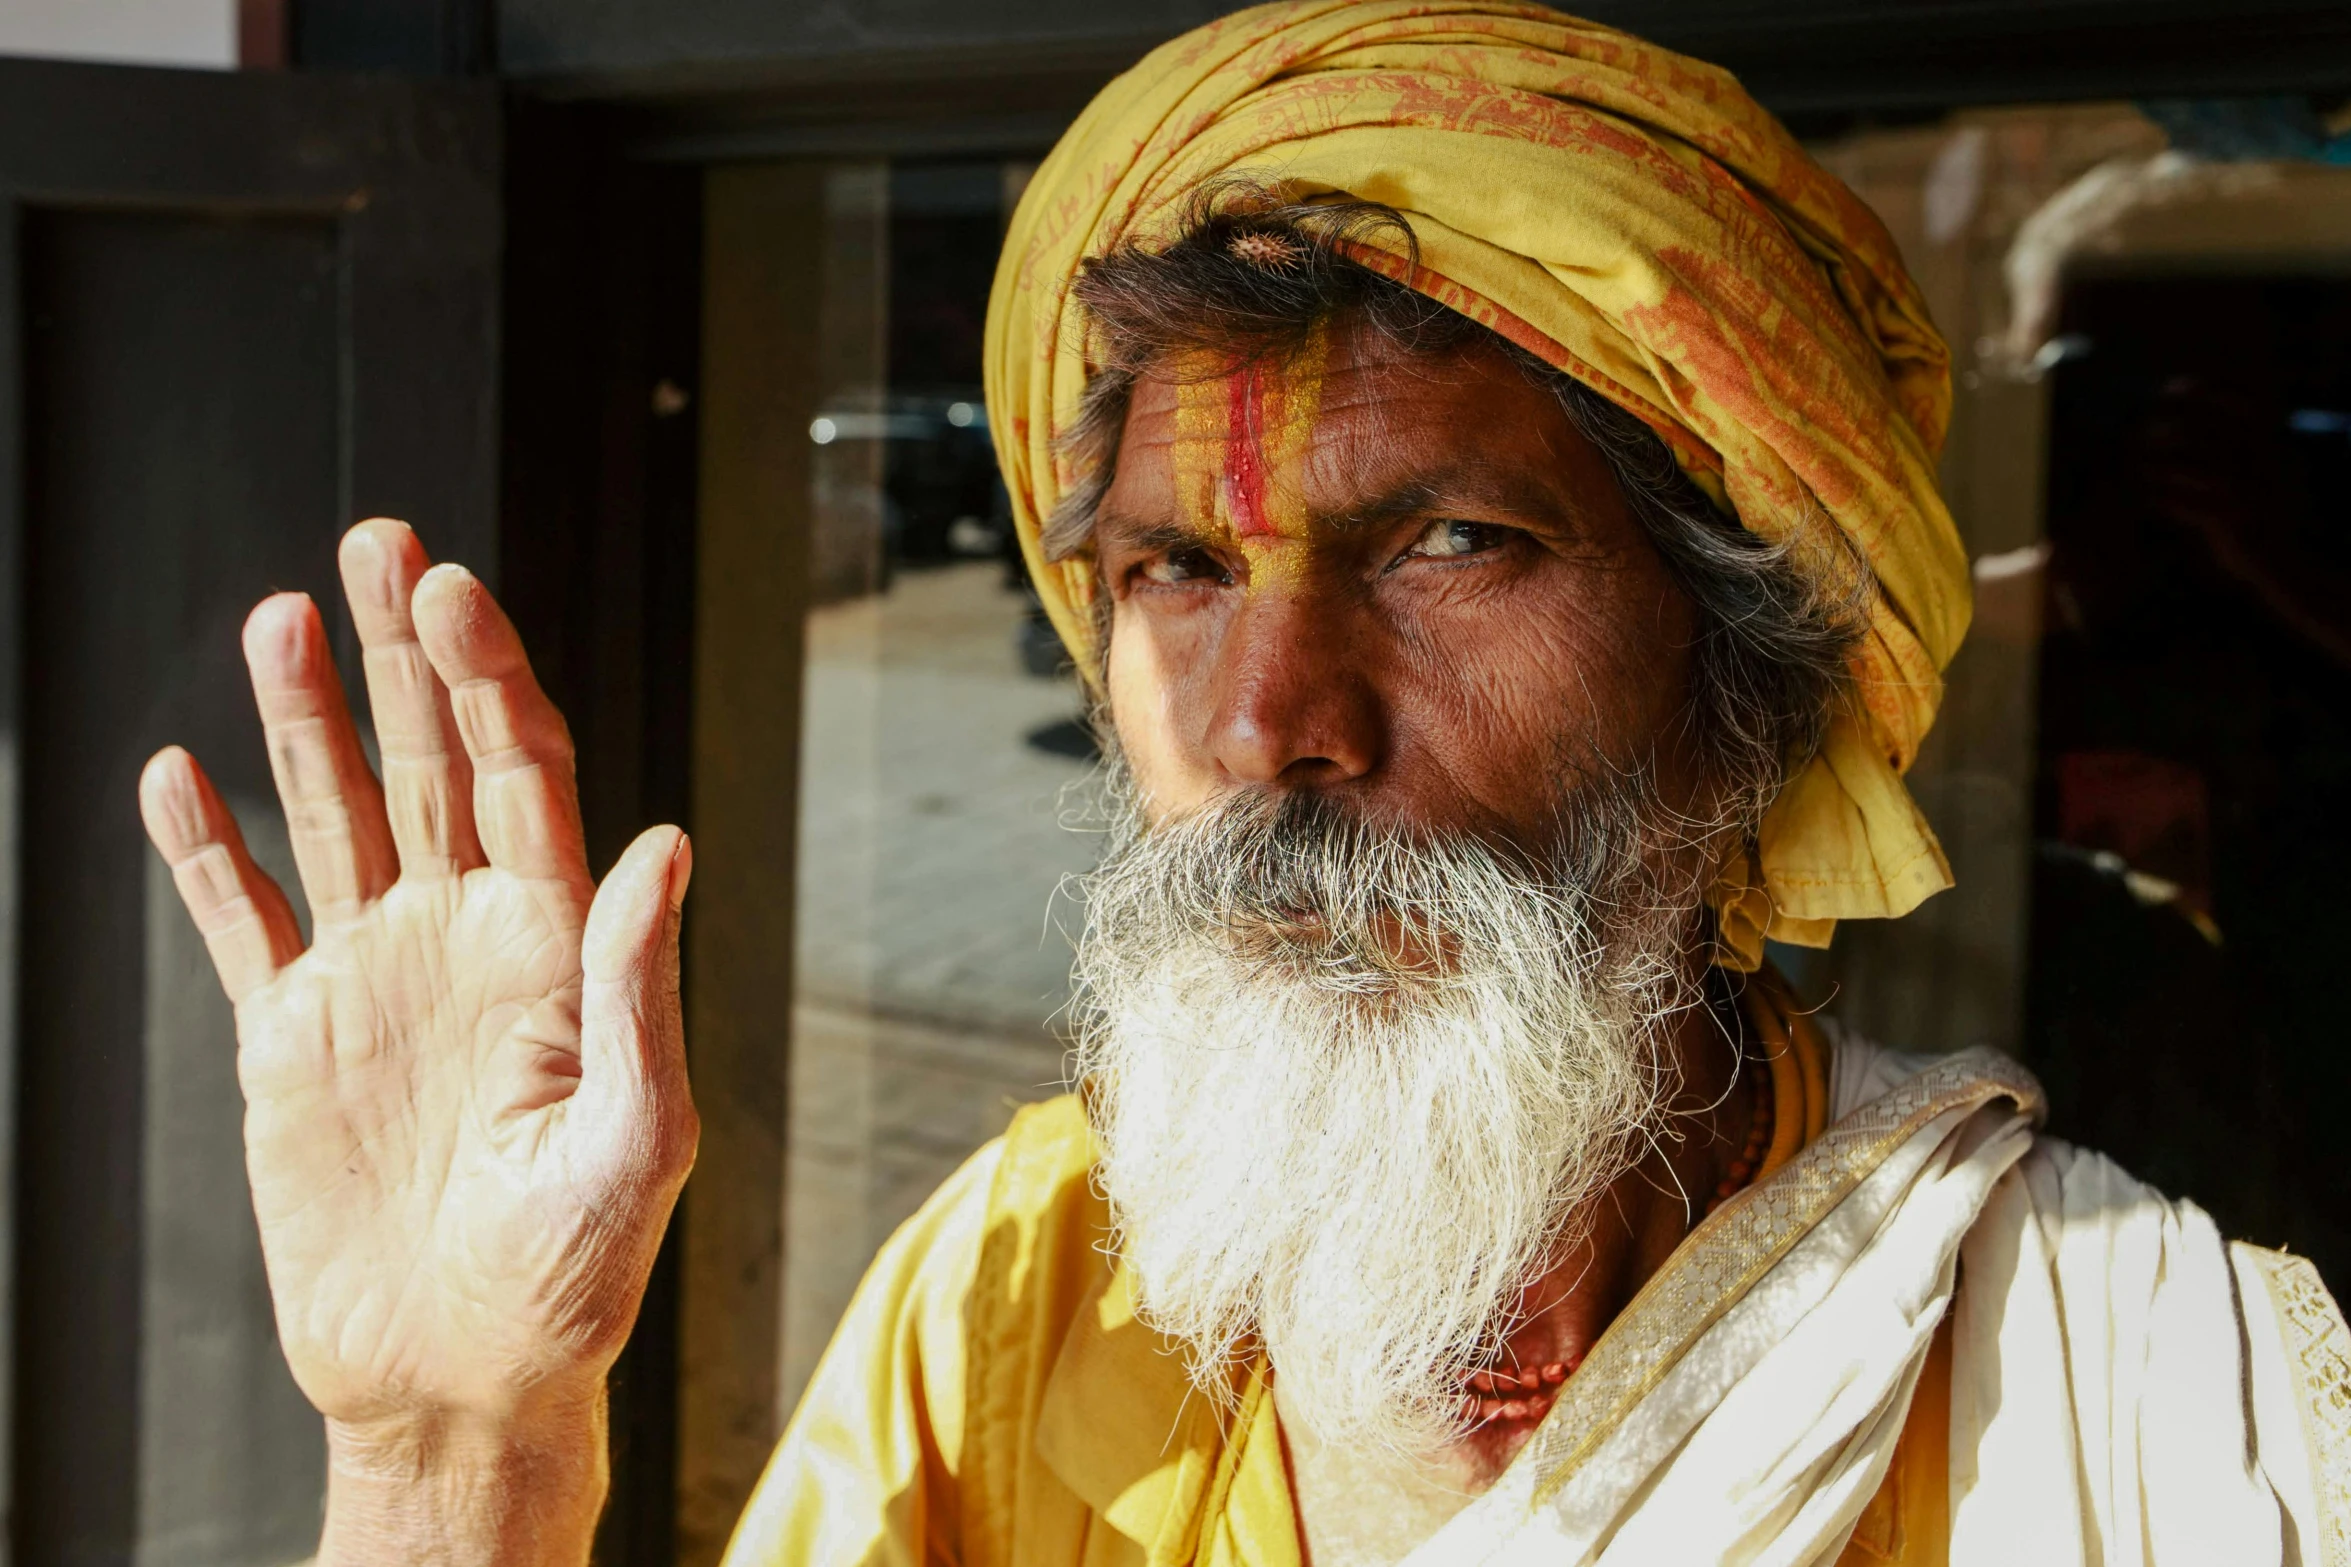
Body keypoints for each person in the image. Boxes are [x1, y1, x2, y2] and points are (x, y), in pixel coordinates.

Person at [137, 4, 2347, 1564]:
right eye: (1174, 569)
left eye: (1447, 547)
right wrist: (449, 1453)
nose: (1272, 713)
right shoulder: (1016, 1284)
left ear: (1740, 682)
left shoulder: (2128, 1393)